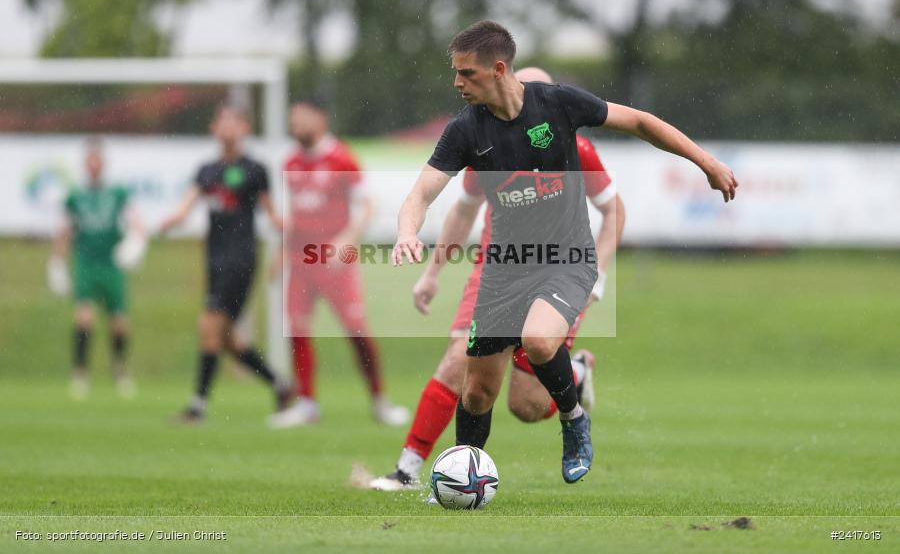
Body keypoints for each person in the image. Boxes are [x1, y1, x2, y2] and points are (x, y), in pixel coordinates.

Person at [392, 21, 737, 484]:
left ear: (498, 69)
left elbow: (639, 122)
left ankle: (574, 422)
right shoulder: (465, 131)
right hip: (504, 270)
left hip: (567, 259)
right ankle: (462, 479)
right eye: (455, 73)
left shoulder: (557, 103)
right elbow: (422, 194)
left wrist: (706, 162)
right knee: (479, 393)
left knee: (537, 341)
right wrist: (407, 234)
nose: (457, 84)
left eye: (466, 74)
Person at [367, 67, 625, 491]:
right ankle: (408, 470)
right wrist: (432, 272)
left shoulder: (576, 148)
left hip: (557, 272)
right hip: (496, 273)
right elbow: (463, 210)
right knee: (457, 364)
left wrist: (598, 275)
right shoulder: (483, 141)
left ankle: (573, 375)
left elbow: (614, 210)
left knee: (526, 404)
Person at [268, 101, 409, 427]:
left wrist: (347, 238)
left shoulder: (342, 158)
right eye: (292, 119)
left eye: (301, 118)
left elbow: (368, 205)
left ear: (321, 118)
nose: (296, 124)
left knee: (357, 331)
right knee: (297, 329)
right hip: (301, 260)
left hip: (336, 262)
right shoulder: (289, 162)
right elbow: (292, 215)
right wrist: (280, 254)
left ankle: (379, 400)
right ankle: (306, 404)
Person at [159, 105, 291, 423]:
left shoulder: (255, 169)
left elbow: (272, 213)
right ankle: (280, 386)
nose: (228, 128)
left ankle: (197, 406)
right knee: (227, 338)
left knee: (208, 327)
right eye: (222, 121)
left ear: (245, 128)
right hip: (214, 260)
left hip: (241, 259)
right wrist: (170, 221)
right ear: (213, 129)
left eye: (234, 122)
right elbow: (187, 204)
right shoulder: (206, 170)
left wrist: (286, 249)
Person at [49, 137, 145, 400]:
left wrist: (136, 243)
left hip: (112, 264)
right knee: (84, 317)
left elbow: (138, 223)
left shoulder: (117, 193)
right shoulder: (75, 196)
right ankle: (80, 374)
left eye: (97, 160)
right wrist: (57, 263)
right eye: (89, 161)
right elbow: (64, 231)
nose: (93, 165)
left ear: (103, 163)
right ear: (84, 164)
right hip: (86, 262)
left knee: (120, 324)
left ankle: (120, 371)